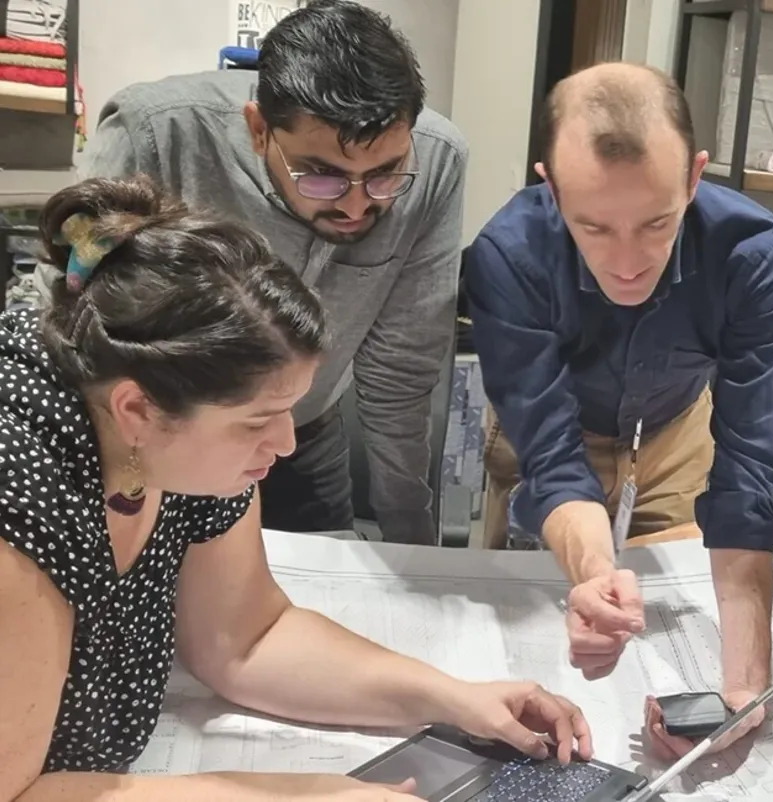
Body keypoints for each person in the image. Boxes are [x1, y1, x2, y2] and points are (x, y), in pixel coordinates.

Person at [0, 177, 590, 802]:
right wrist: (297, 797)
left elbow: (246, 638)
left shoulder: (177, 437)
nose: (284, 444)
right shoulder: (21, 488)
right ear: (137, 411)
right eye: (257, 421)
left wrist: (453, 699)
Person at [464, 62, 773, 759]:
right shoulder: (507, 255)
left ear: (694, 177)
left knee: (668, 614)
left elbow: (746, 469)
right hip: (552, 433)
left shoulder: (753, 252)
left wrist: (744, 689)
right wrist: (595, 580)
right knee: (525, 623)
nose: (626, 263)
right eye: (593, 227)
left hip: (677, 430)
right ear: (550, 188)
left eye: (656, 223)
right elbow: (551, 458)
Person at [67, 0, 466, 545]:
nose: (355, 206)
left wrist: (410, 547)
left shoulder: (438, 162)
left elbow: (401, 372)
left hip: (305, 433)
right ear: (259, 130)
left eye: (384, 175)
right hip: (164, 438)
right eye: (321, 175)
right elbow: (76, 320)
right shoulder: (155, 132)